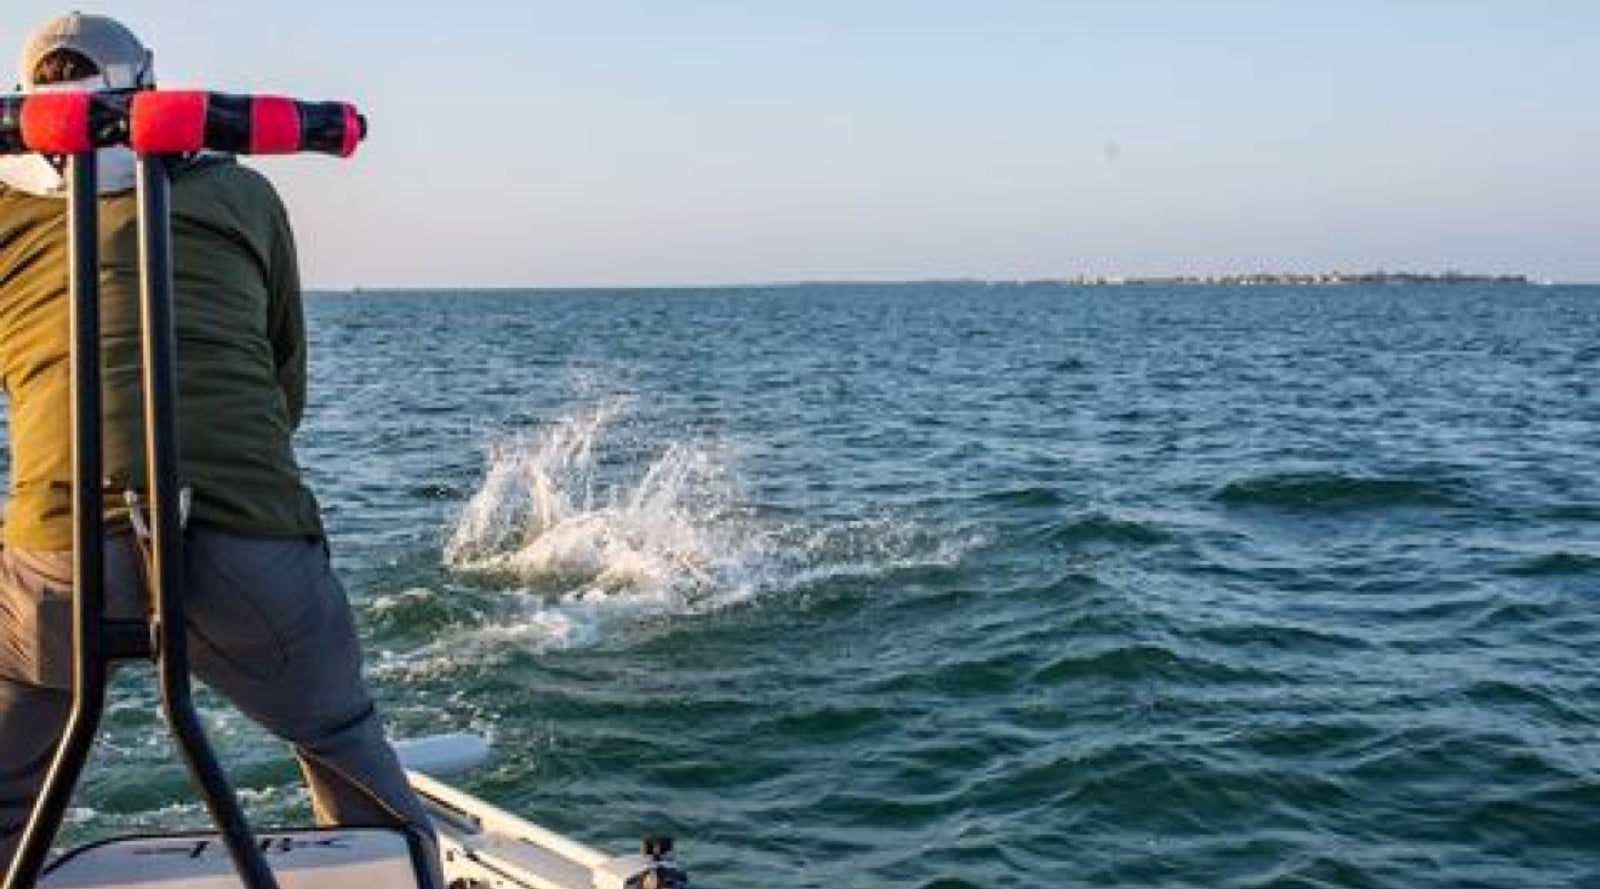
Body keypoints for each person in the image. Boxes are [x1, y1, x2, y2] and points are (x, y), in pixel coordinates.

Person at [0, 12, 437, 882]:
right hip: (246, 548)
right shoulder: (242, 194)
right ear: (152, 90)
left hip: (56, 557)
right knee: (345, 748)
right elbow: (286, 386)